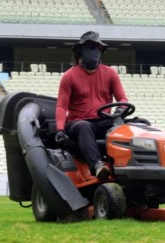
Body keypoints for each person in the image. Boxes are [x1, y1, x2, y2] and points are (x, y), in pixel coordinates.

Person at [55, 31, 128, 181]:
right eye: (90, 47)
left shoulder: (110, 74)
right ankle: (97, 166)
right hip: (78, 123)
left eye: (97, 48)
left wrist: (121, 110)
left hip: (103, 120)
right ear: (80, 50)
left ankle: (129, 166)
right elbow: (62, 106)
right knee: (84, 126)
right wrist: (60, 129)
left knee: (138, 124)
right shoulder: (69, 76)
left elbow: (122, 98)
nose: (94, 51)